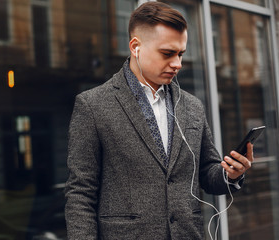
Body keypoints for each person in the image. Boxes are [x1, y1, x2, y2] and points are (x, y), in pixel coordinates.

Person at [64, 2, 253, 240]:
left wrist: (231, 175)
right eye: (167, 53)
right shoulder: (93, 105)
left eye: (181, 53)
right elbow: (80, 192)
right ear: (136, 47)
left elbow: (207, 173)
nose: (178, 64)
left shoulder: (192, 105)